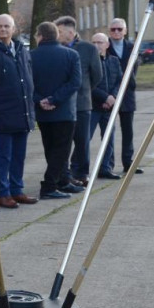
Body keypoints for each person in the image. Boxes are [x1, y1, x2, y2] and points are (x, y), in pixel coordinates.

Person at [0, 14, 37, 210]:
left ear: (14, 29)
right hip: (2, 115)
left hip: (23, 114)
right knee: (4, 156)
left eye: (6, 26)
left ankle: (17, 189)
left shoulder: (21, 50)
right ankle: (3, 193)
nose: (3, 30)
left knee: (19, 155)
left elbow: (28, 77)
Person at [31, 22, 81, 200]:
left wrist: (41, 100)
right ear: (56, 35)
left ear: (40, 36)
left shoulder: (31, 56)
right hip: (64, 111)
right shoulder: (71, 55)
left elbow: (29, 84)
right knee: (61, 150)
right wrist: (55, 99)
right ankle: (49, 185)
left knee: (50, 148)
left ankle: (61, 181)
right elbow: (74, 83)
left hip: (43, 112)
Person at [55, 16, 101, 188]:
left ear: (71, 32)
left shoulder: (88, 48)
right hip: (63, 104)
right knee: (64, 142)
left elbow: (97, 75)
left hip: (82, 103)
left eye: (60, 32)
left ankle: (81, 173)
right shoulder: (57, 49)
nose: (57, 35)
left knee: (82, 141)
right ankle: (65, 175)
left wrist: (85, 89)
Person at [107, 18, 141, 175]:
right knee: (108, 132)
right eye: (113, 29)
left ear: (125, 30)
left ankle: (128, 163)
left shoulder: (132, 47)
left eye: (119, 29)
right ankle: (107, 166)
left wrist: (131, 84)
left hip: (127, 95)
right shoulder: (104, 46)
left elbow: (135, 68)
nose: (116, 32)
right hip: (109, 95)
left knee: (128, 131)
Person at [90, 33, 124, 179]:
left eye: (100, 42)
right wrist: (105, 97)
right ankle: (78, 170)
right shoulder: (89, 62)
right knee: (85, 139)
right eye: (94, 42)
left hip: (110, 107)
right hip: (93, 106)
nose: (97, 45)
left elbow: (119, 81)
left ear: (107, 44)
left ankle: (105, 168)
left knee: (109, 139)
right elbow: (89, 84)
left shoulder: (114, 61)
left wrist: (113, 97)